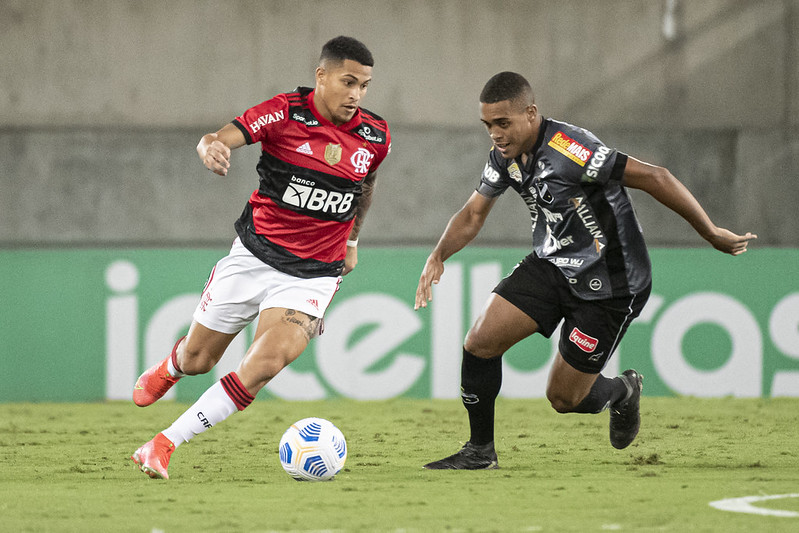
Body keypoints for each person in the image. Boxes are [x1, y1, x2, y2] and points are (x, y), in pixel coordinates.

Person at [414, 71, 755, 469]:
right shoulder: (504, 158)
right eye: (488, 125)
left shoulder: (571, 150)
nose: (495, 134)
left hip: (611, 282)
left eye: (503, 123)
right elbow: (473, 213)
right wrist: (438, 255)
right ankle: (479, 451)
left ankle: (622, 390)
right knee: (479, 343)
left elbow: (655, 176)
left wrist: (710, 232)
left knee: (564, 399)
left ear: (531, 114)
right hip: (553, 264)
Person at [131, 36, 390, 480]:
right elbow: (222, 136)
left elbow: (364, 186)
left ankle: (164, 443)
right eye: (349, 82)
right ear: (321, 76)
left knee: (267, 363)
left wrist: (352, 241)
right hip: (254, 257)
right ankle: (173, 365)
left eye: (364, 86)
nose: (357, 95)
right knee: (199, 360)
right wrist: (211, 146)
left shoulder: (375, 135)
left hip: (313, 277)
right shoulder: (284, 112)